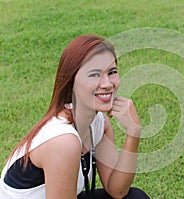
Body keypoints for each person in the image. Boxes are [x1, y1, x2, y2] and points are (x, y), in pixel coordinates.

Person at [0, 35, 150, 199]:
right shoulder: (63, 141)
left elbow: (118, 191)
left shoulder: (99, 123)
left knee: (136, 197)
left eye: (112, 72)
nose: (107, 83)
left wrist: (134, 133)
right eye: (94, 74)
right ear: (71, 81)